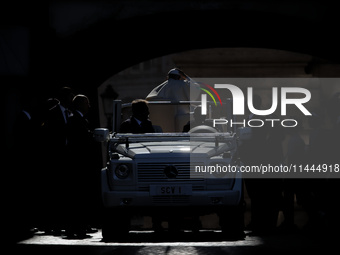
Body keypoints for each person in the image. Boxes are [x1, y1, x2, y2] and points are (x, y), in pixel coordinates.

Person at [66, 94, 96, 238]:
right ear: (79, 105)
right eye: (86, 103)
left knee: (81, 196)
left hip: (81, 165)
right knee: (78, 196)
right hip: (78, 165)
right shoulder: (74, 120)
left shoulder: (81, 119)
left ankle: (80, 226)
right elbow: (79, 142)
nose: (89, 106)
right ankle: (76, 227)